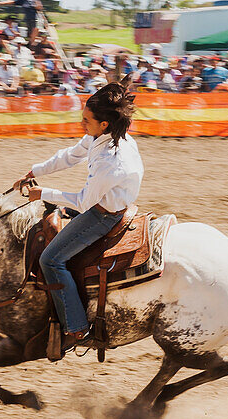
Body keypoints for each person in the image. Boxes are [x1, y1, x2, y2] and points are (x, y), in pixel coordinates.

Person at [13, 75, 142, 351]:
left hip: (104, 216)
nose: (81, 124)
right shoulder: (103, 138)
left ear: (103, 123)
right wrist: (35, 171)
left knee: (51, 259)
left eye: (86, 120)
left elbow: (84, 203)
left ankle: (77, 328)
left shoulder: (111, 161)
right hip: (104, 204)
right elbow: (71, 155)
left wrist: (42, 193)